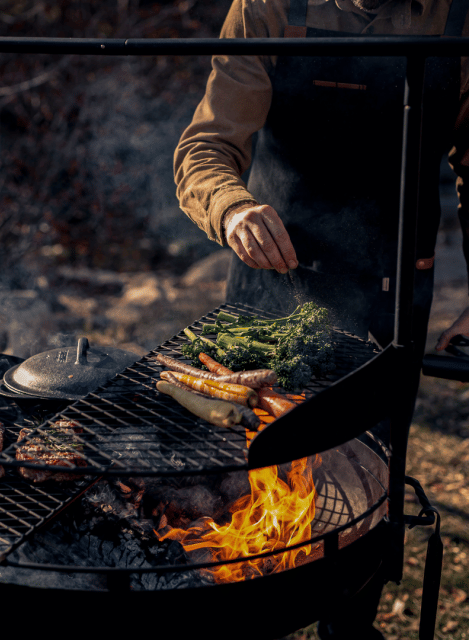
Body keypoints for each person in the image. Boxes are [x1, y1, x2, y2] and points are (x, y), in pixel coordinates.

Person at [174, 0, 469, 638]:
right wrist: (230, 209)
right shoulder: (269, 8)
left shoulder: (458, 17)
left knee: (368, 493)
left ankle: (349, 625)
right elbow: (208, 147)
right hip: (270, 285)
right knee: (240, 474)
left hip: (392, 292)